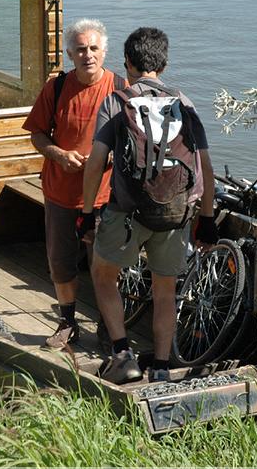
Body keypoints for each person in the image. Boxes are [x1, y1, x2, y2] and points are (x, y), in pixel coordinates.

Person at [81, 27, 217, 384]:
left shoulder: (116, 101)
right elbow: (205, 166)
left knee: (102, 273)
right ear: (164, 62)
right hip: (175, 215)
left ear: (126, 62)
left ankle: (123, 352)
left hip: (126, 214)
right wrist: (206, 217)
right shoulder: (183, 102)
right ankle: (160, 367)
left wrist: (85, 213)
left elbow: (96, 162)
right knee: (165, 290)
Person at [22, 18, 125, 349]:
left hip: (107, 197)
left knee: (106, 266)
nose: (88, 55)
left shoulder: (121, 88)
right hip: (60, 193)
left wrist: (110, 158)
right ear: (69, 53)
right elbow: (37, 134)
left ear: (105, 51)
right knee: (61, 262)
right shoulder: (56, 88)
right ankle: (67, 323)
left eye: (94, 48)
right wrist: (58, 155)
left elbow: (135, 141)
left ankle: (109, 327)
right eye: (81, 49)